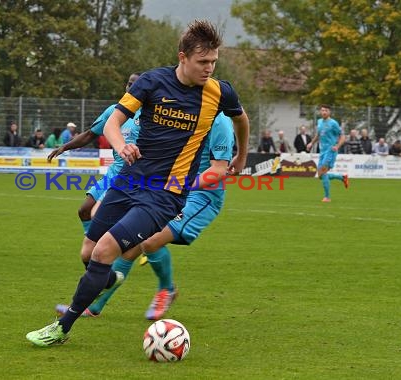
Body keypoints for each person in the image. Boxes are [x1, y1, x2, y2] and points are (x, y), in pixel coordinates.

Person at [26, 19, 250, 347]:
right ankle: (111, 277)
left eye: (213, 61)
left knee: (104, 251)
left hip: (165, 194)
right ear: (182, 57)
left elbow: (241, 118)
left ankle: (62, 327)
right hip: (129, 181)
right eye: (203, 62)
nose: (209, 69)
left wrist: (241, 156)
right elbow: (114, 123)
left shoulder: (218, 92)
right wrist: (121, 146)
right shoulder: (151, 82)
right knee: (88, 251)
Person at [55, 113, 235, 320]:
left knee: (149, 242)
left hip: (201, 195)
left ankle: (167, 290)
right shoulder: (181, 109)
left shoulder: (218, 119)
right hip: (168, 188)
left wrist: (182, 184)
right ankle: (95, 305)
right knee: (130, 243)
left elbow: (218, 170)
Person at [47, 73, 141, 235]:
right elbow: (91, 134)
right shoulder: (114, 111)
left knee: (101, 216)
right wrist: (64, 147)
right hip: (113, 172)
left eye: (136, 85)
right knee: (85, 211)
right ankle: (96, 247)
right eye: (129, 83)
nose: (131, 88)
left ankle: (111, 249)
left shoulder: (149, 114)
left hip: (133, 174)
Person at [306, 104, 348, 203]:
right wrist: (311, 143)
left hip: (330, 151)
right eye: (322, 110)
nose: (324, 112)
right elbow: (318, 135)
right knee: (320, 175)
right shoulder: (320, 122)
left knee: (323, 173)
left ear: (329, 112)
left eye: (326, 110)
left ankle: (327, 197)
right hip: (322, 151)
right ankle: (342, 178)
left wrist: (337, 146)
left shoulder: (333, 123)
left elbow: (343, 137)